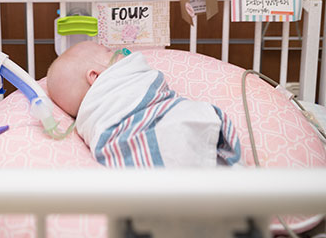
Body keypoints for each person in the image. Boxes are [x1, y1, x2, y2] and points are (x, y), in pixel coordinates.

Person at [47, 41, 241, 168]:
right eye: (108, 52)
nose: (119, 54)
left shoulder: (94, 121)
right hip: (174, 140)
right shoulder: (108, 112)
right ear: (94, 76)